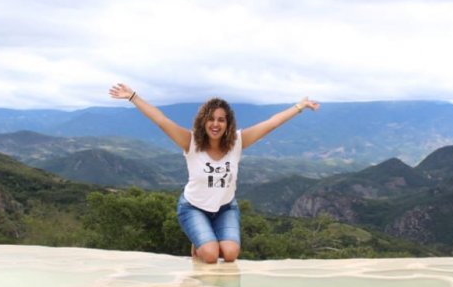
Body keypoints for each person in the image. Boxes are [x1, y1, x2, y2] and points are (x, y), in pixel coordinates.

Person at [108, 83, 319, 264]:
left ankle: (204, 239)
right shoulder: (190, 142)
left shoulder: (237, 142)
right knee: (210, 255)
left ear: (228, 124)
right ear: (203, 121)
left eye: (221, 120)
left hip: (225, 208)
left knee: (230, 254)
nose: (215, 124)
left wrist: (299, 106)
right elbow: (161, 121)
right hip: (193, 207)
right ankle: (199, 243)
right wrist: (133, 97)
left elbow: (271, 123)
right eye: (211, 119)